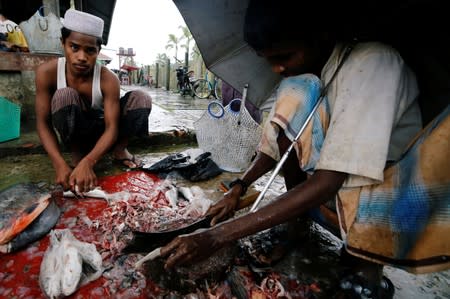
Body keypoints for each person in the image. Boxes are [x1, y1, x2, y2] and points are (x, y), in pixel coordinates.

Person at [160, 1, 450, 298]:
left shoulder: (373, 63)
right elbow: (275, 145)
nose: (277, 68)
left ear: (321, 37)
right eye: (268, 60)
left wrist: (216, 236)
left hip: (388, 201)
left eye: (284, 56)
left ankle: (367, 265)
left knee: (357, 269)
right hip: (330, 193)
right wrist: (239, 186)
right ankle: (297, 220)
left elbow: (329, 180)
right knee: (292, 91)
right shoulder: (309, 75)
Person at [35, 9, 152, 194]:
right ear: (63, 43)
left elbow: (112, 127)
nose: (82, 57)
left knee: (141, 99)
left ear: (98, 51)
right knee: (64, 95)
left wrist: (90, 162)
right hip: (76, 132)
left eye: (90, 50)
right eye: (74, 47)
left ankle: (120, 151)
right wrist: (58, 163)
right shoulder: (46, 73)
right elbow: (42, 122)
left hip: (104, 133)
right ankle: (76, 156)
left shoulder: (108, 79)